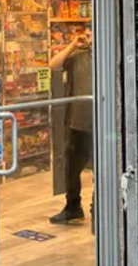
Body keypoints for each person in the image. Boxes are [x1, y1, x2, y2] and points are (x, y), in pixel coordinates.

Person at [48, 27, 93, 225]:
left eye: (92, 35)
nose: (88, 39)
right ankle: (73, 206)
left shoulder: (109, 53)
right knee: (71, 167)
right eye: (87, 35)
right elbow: (54, 65)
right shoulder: (77, 54)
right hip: (77, 121)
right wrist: (72, 45)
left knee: (102, 169)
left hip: (101, 123)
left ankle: (99, 207)